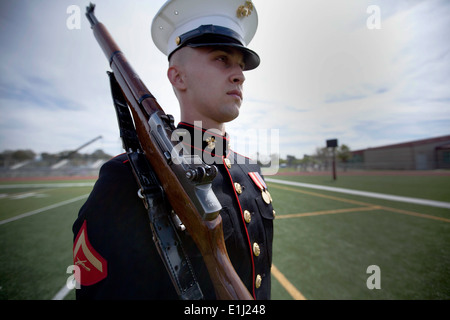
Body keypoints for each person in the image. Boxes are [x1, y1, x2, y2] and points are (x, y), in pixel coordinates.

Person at [73, 0, 275, 300]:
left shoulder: (250, 171)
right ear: (177, 77)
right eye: (222, 59)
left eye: (241, 65)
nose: (239, 75)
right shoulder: (127, 179)